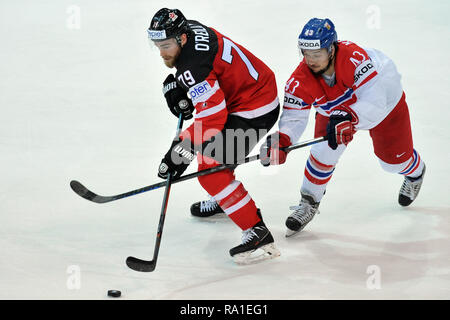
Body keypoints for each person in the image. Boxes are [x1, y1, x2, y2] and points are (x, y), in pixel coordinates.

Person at [260, 18, 426, 237]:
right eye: (305, 54)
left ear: (331, 49)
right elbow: (293, 118)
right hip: (336, 110)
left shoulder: (355, 59)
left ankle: (415, 172)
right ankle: (309, 202)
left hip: (385, 104)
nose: (310, 60)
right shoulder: (298, 81)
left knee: (393, 163)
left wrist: (350, 115)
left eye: (316, 54)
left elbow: (376, 101)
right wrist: (282, 140)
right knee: (322, 153)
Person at [148, 8, 281, 263]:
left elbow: (213, 119)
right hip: (246, 95)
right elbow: (206, 74)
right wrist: (182, 89)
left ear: (181, 39)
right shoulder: (191, 29)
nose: (162, 52)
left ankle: (257, 232)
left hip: (254, 109)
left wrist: (180, 152)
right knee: (214, 159)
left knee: (212, 172)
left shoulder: (192, 65)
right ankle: (225, 199)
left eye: (165, 45)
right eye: (157, 45)